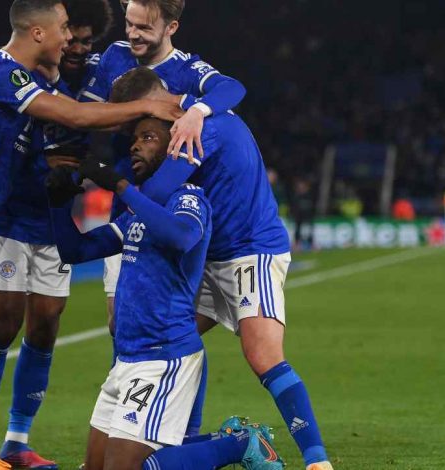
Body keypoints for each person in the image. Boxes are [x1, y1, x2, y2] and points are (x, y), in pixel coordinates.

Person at [0, 1, 183, 469]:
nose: (69, 39)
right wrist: (148, 105)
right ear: (37, 32)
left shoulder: (23, 74)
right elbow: (73, 116)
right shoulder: (7, 74)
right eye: (61, 30)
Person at [107, 67, 334, 470]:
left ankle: (317, 461)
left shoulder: (198, 127)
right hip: (212, 254)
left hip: (250, 250)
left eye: (139, 119)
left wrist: (121, 189)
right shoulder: (192, 115)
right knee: (174, 336)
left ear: (157, 101)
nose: (135, 132)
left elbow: (157, 192)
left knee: (262, 354)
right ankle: (190, 441)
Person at [44, 116, 283, 470]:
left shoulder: (189, 198)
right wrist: (58, 203)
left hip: (163, 356)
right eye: (134, 139)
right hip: (127, 358)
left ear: (172, 149)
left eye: (148, 137)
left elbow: (182, 236)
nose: (135, 145)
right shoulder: (136, 213)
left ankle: (240, 444)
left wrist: (122, 187)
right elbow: (76, 251)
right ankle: (223, 442)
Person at [0, 1, 114, 468]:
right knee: (2, 324)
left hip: (56, 216)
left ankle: (17, 440)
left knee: (45, 324)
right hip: (12, 215)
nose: (78, 49)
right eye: (72, 38)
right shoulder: (26, 68)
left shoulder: (99, 72)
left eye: (86, 41)